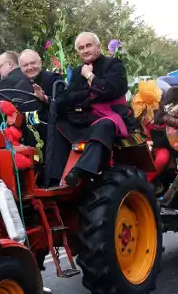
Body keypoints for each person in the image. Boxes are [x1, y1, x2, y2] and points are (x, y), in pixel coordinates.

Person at [47, 31, 136, 187]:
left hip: (111, 114)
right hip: (86, 116)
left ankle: (80, 171)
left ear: (98, 46)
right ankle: (54, 176)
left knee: (104, 125)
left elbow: (113, 90)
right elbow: (70, 97)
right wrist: (93, 92)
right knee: (59, 124)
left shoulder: (113, 64)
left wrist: (89, 76)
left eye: (88, 45)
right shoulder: (76, 72)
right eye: (81, 48)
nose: (85, 50)